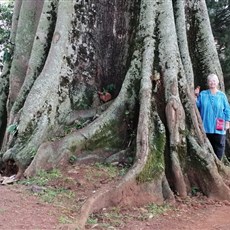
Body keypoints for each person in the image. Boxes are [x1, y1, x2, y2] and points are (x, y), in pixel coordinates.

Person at [195, 73, 230, 160]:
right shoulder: (203, 94)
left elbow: (227, 110)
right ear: (207, 83)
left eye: (214, 80)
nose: (212, 82)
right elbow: (196, 105)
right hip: (206, 125)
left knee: (219, 145)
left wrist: (228, 122)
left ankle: (218, 163)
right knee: (208, 146)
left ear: (217, 82)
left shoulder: (222, 96)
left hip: (219, 125)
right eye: (210, 81)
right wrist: (195, 95)